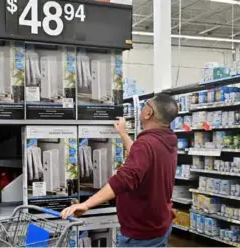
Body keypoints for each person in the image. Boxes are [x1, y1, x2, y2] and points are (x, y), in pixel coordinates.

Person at [61, 93, 178, 247]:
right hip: (160, 224)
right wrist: (123, 134)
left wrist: (86, 204)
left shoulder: (147, 143)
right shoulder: (168, 138)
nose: (143, 108)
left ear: (149, 113)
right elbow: (143, 157)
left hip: (142, 233)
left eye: (145, 105)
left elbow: (124, 178)